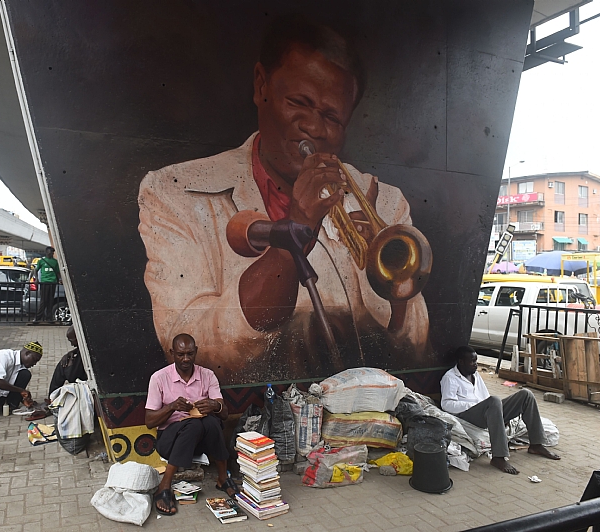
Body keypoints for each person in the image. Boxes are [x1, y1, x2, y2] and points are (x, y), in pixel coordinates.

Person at [138, 15, 430, 382]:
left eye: (332, 117)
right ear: (261, 85)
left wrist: (391, 291)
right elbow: (190, 345)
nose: (312, 127)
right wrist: (295, 231)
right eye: (299, 102)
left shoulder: (383, 202)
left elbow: (417, 348)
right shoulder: (173, 190)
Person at [145, 334, 237, 516]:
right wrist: (171, 407)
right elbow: (149, 421)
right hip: (169, 442)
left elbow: (224, 414)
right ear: (172, 353)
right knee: (194, 425)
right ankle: (164, 487)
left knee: (211, 421)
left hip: (200, 441)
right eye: (180, 354)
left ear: (196, 352)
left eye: (189, 354)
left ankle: (222, 478)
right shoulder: (159, 378)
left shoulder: (207, 375)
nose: (185, 359)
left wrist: (214, 405)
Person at [440, 346, 560, 474]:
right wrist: (474, 405)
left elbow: (486, 397)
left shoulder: (475, 375)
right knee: (494, 401)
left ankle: (536, 444)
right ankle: (498, 457)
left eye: (476, 361)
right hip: (468, 415)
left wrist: (496, 412)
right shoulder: (450, 378)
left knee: (526, 394)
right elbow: (446, 404)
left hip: (486, 411)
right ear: (461, 362)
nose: (476, 364)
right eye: (472, 361)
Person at [48, 326, 88, 396]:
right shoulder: (84, 344)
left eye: (72, 341)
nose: (72, 344)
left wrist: (70, 364)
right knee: (63, 362)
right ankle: (52, 395)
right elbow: (79, 348)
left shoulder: (84, 351)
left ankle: (52, 396)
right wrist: (70, 353)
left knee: (63, 365)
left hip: (83, 379)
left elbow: (72, 377)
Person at [32, 246, 61, 324]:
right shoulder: (41, 261)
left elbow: (58, 272)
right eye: (51, 252)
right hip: (44, 283)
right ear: (47, 252)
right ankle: (38, 318)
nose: (52, 253)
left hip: (52, 282)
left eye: (53, 252)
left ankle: (49, 318)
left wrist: (60, 279)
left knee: (50, 301)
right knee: (43, 301)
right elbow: (35, 269)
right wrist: (37, 279)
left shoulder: (55, 262)